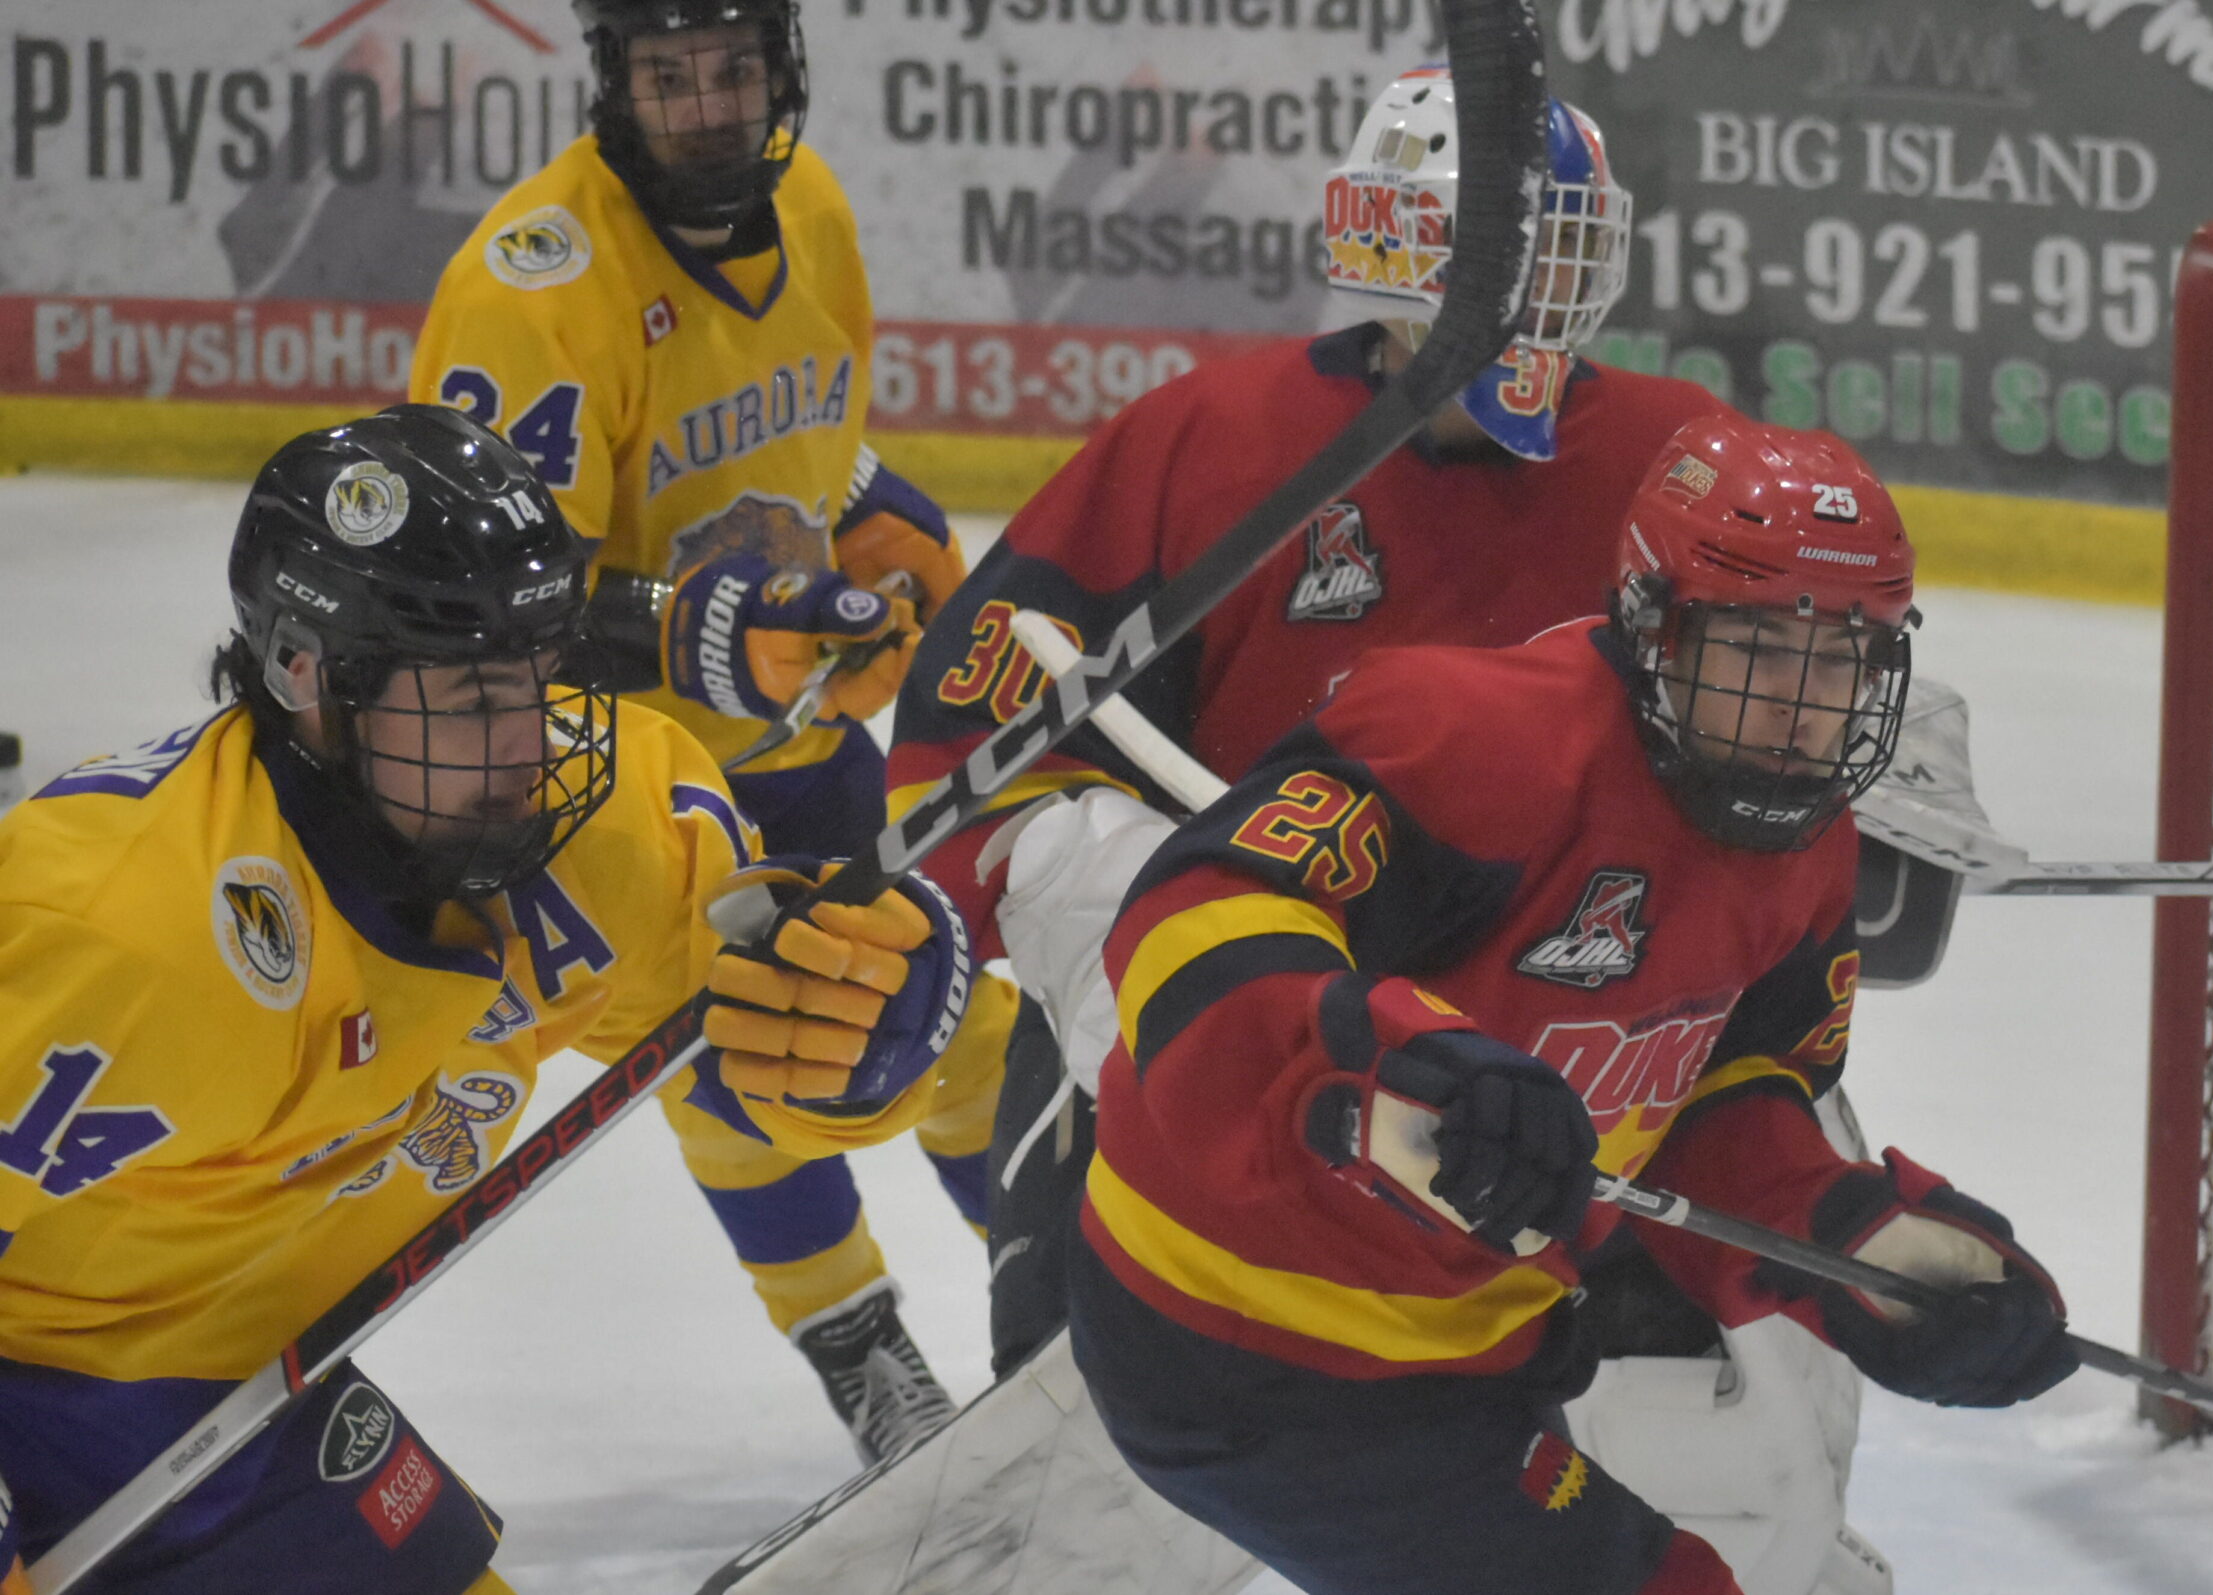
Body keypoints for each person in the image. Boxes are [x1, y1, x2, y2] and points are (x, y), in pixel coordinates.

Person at [1065, 414, 2081, 1595]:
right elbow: (1191, 908)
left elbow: (1722, 1099)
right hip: (1241, 1346)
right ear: (1654, 625)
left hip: (1471, 1353)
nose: (1802, 708)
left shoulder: (1807, 844)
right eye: (1756, 648)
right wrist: (1403, 1065)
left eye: (1844, 656)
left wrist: (1874, 1248)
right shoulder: (1476, 739)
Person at [0, 407, 967, 1595]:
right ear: (310, 679)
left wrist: (872, 1036)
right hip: (38, 1392)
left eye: (532, 680)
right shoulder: (117, 933)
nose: (525, 745)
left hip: (248, 1403)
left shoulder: (603, 836)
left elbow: (759, 1063)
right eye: (466, 700)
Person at [888, 63, 1719, 1372]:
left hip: (1551, 1061)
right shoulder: (1214, 443)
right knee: (1081, 1419)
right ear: (1398, 246)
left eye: (1564, 246)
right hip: (1239, 1022)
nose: (1543, 286)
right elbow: (975, 724)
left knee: (1674, 1417)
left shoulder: (1676, 462)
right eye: (1508, 247)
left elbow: (1788, 714)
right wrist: (1007, 912)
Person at [408, 0, 1008, 1461]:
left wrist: (873, 507)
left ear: (781, 69)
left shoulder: (811, 204)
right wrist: (688, 632)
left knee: (970, 1017)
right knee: (759, 1060)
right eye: (666, 77)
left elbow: (798, 428)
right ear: (614, 82)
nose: (704, 107)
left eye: (732, 68)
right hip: (603, 791)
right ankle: (860, 1346)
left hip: (800, 744)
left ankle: (1089, 1285)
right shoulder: (528, 289)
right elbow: (454, 602)